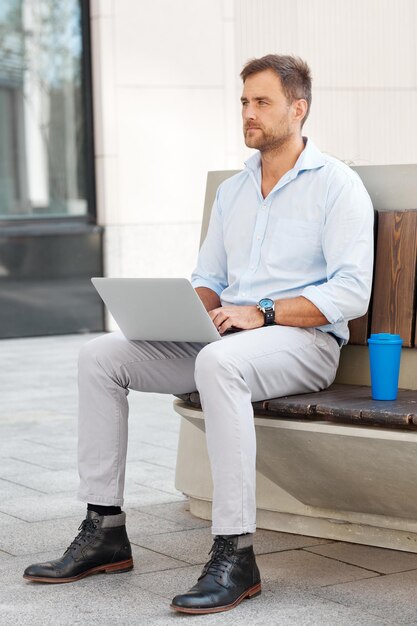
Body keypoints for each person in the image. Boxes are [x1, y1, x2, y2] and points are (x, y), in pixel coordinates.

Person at [23, 54, 374, 614]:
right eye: (244, 102)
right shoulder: (234, 191)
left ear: (299, 109)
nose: (249, 114)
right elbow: (209, 281)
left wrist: (261, 309)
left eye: (262, 102)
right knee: (101, 355)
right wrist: (178, 312)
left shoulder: (337, 186)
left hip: (304, 345)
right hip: (230, 342)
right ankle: (104, 529)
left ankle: (236, 552)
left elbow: (351, 294)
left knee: (219, 365)